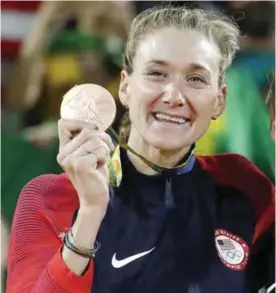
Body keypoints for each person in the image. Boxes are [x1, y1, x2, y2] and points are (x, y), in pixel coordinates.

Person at [6, 5, 275, 293]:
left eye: (196, 79)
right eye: (157, 73)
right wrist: (90, 215)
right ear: (125, 86)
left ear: (219, 100)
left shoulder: (245, 189)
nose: (174, 96)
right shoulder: (51, 198)